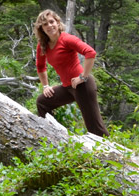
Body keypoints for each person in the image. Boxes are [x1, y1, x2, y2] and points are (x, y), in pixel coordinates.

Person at [33, 9, 108, 137]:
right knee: (42, 102)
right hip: (67, 87)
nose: (49, 26)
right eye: (45, 24)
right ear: (41, 28)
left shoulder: (66, 39)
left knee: (95, 128)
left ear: (57, 22)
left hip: (82, 85)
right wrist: (45, 86)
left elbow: (90, 53)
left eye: (52, 22)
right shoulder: (43, 45)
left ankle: (110, 154)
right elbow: (40, 66)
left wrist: (83, 77)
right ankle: (52, 137)